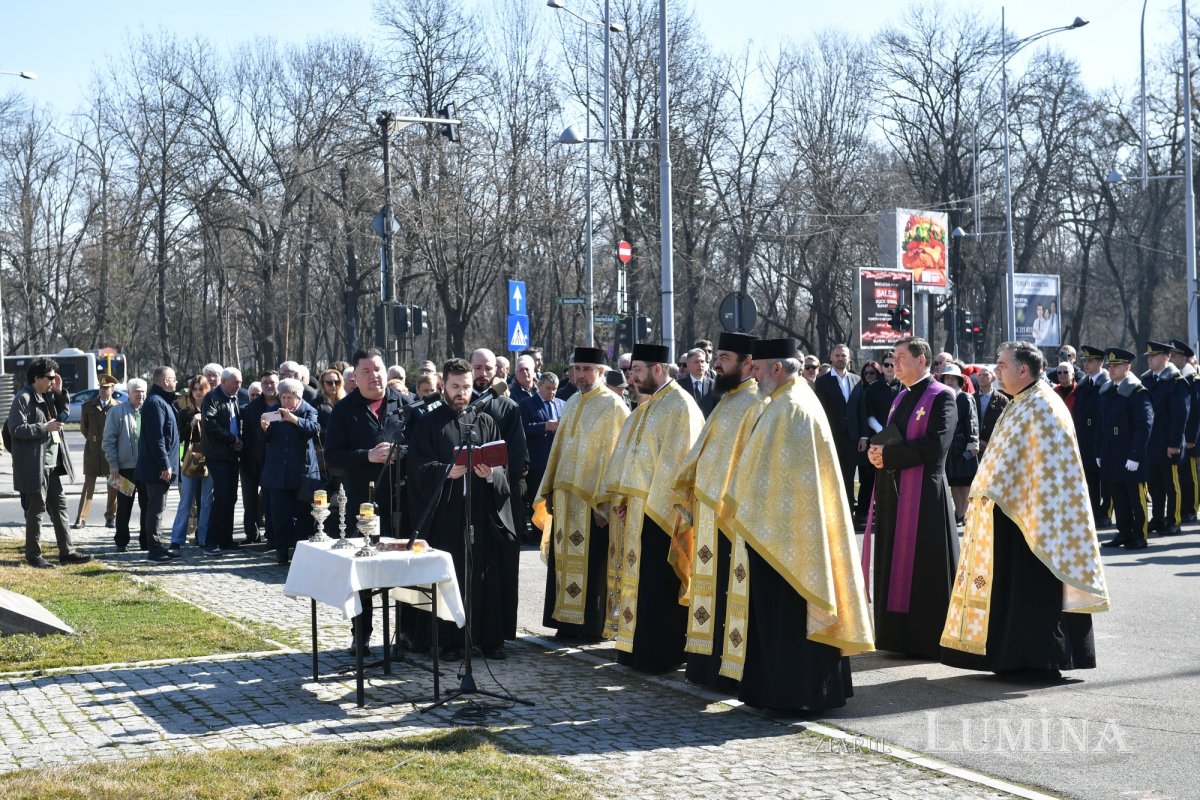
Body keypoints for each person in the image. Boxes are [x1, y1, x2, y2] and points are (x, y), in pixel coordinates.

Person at [718, 338, 873, 711]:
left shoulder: (792, 407)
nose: (752, 374)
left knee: (787, 617)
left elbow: (785, 478)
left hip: (787, 536)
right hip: (776, 530)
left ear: (776, 368)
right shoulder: (784, 402)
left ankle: (794, 694)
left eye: (757, 368)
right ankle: (775, 691)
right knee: (775, 617)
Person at [941, 341, 1109, 680]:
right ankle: (1013, 657)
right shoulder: (1021, 402)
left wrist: (1000, 493)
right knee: (1014, 590)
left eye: (1003, 365)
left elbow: (1045, 470)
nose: (997, 370)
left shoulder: (1043, 406)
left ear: (1023, 369)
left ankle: (1037, 660)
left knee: (1034, 591)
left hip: (1036, 521)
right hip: (1011, 513)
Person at [668, 332, 765, 693]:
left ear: (747, 363)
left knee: (728, 592)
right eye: (717, 356)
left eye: (724, 357)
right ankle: (704, 666)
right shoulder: (726, 400)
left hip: (731, 518)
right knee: (710, 589)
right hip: (707, 513)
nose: (717, 363)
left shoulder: (755, 402)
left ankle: (726, 669)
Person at [605, 343, 705, 673]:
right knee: (643, 581)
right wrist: (623, 499)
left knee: (660, 584)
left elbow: (678, 463)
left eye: (637, 370)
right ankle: (636, 647)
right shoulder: (648, 406)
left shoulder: (680, 406)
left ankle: (662, 654)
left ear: (657, 369)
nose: (631, 377)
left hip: (664, 512)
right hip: (638, 510)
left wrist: (653, 504)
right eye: (631, 371)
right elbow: (631, 456)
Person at [407, 358, 514, 659]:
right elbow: (418, 468)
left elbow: (504, 466)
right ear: (442, 384)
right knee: (449, 574)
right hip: (447, 513)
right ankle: (448, 641)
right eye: (455, 387)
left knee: (483, 575)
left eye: (466, 387)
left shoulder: (485, 420)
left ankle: (488, 638)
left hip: (480, 510)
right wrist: (445, 471)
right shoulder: (429, 423)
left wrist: (491, 474)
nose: (462, 393)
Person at [864, 336, 959, 658]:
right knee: (894, 563)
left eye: (901, 357)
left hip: (924, 498)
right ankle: (897, 636)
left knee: (924, 568)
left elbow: (935, 446)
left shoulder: (942, 396)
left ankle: (927, 637)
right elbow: (894, 434)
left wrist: (888, 456)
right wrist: (876, 451)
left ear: (922, 360)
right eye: (893, 358)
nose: (895, 364)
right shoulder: (900, 397)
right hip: (896, 494)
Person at [532, 347, 629, 641]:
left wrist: (606, 504)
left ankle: (589, 628)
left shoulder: (614, 407)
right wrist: (548, 488)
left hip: (592, 504)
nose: (580, 374)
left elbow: (617, 457)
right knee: (564, 563)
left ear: (601, 372)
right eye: (577, 368)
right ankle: (566, 623)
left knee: (592, 564)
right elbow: (558, 451)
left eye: (587, 369)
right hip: (565, 498)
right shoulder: (572, 401)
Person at [324, 348, 411, 654]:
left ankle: (405, 632)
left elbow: (423, 446)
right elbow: (332, 458)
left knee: (404, 568)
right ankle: (361, 633)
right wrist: (368, 456)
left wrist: (404, 452)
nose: (374, 376)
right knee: (364, 572)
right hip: (364, 501)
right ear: (355, 378)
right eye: (366, 371)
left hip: (402, 499)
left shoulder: (405, 404)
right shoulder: (344, 410)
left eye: (378, 369)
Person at [7, 358, 92, 568]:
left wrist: (61, 393)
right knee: (36, 510)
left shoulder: (47, 396)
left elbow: (62, 415)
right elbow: (15, 429)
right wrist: (44, 428)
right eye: (50, 378)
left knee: (60, 506)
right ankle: (34, 555)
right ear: (37, 378)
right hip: (36, 465)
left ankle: (67, 552)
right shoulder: (24, 398)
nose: (53, 381)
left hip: (52, 464)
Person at [469, 348, 528, 642]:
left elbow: (516, 459)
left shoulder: (508, 407)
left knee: (501, 565)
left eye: (487, 368)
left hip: (500, 496)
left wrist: (495, 478)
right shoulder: (462, 405)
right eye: (477, 368)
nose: (482, 374)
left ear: (496, 370)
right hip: (465, 497)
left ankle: (500, 631)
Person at [260, 378, 321, 565]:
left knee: (302, 516)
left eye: (289, 397)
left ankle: (299, 553)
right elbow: (269, 440)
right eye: (283, 397)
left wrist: (293, 419)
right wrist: (266, 429)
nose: (285, 401)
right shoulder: (273, 412)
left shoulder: (308, 410)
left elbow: (314, 429)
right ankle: (281, 552)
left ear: (298, 397)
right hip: (278, 473)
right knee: (279, 515)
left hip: (302, 473)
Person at [1096, 348, 1153, 550]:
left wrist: (1135, 455)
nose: (1111, 370)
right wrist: (1099, 452)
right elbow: (1102, 425)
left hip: (1130, 454)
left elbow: (1144, 425)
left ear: (1127, 367)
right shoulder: (1107, 391)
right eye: (1109, 366)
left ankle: (1139, 535)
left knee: (1136, 499)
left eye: (1116, 366)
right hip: (1112, 454)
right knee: (1118, 498)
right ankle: (1124, 532)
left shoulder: (1137, 392)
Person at [1141, 340, 1190, 537]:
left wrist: (1174, 444)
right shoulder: (1147, 380)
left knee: (1172, 485)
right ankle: (1159, 518)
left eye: (1153, 356)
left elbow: (1180, 416)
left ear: (1165, 357)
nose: (1150, 360)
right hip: (1152, 443)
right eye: (1149, 357)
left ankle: (1174, 520)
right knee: (1155, 485)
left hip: (1169, 443)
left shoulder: (1177, 382)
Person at [136, 366, 182, 563]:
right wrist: (165, 465)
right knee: (155, 508)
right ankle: (154, 549)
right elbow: (157, 438)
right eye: (173, 379)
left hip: (160, 466)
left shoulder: (162, 401)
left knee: (155, 508)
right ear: (165, 381)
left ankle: (156, 545)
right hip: (157, 468)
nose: (176, 382)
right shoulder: (155, 403)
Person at [202, 367, 245, 556]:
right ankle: (212, 542)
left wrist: (239, 441)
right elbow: (210, 424)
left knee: (231, 498)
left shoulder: (234, 398)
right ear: (224, 382)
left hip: (232, 454)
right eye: (235, 382)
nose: (238, 386)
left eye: (240, 382)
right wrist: (232, 439)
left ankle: (226, 539)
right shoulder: (212, 397)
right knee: (220, 498)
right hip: (218, 455)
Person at [812, 343, 862, 508]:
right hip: (830, 437)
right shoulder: (822, 382)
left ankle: (849, 512)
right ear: (832, 358)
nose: (841, 359)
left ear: (849, 359)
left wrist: (864, 436)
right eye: (837, 356)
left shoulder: (857, 380)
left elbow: (861, 409)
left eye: (844, 356)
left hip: (852, 438)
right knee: (832, 477)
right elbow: (819, 411)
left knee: (849, 477)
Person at [103, 379, 148, 552]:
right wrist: (113, 464)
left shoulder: (148, 411)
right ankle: (121, 541)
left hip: (145, 468)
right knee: (123, 506)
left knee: (147, 504)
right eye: (136, 391)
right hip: (123, 468)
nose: (140, 394)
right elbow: (108, 441)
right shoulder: (116, 412)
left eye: (143, 391)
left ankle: (146, 540)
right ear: (128, 393)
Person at [170, 375, 214, 550]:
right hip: (190, 458)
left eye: (200, 389)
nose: (197, 392)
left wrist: (206, 421)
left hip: (210, 458)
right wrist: (192, 422)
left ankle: (203, 537)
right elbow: (180, 437)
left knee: (206, 500)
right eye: (194, 389)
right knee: (186, 500)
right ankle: (177, 538)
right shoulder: (184, 412)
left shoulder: (212, 409)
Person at [520, 372, 564, 544]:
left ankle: (555, 534)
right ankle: (538, 535)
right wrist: (544, 426)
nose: (552, 392)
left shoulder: (562, 404)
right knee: (537, 499)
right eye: (548, 388)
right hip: (538, 461)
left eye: (554, 389)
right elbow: (523, 428)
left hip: (558, 461)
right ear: (539, 386)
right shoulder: (527, 404)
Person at [73, 374, 120, 529]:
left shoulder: (117, 407)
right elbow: (83, 427)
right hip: (92, 450)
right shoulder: (88, 406)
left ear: (112, 390)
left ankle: (111, 516)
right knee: (88, 485)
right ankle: (81, 518)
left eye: (106, 388)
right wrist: (93, 439)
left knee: (113, 484)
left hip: (110, 451)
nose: (103, 390)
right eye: (101, 387)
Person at [240, 370, 280, 546]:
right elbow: (247, 434)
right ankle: (251, 534)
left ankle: (272, 536)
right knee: (250, 501)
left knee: (271, 502)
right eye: (265, 383)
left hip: (275, 461)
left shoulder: (283, 403)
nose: (269, 386)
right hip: (252, 458)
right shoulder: (252, 407)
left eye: (272, 382)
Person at [1073, 346, 1110, 525]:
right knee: (1090, 478)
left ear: (1100, 363)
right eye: (1085, 361)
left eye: (1091, 361)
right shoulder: (1083, 384)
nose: (1086, 364)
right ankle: (1094, 512)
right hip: (1085, 437)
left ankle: (1105, 513)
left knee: (1106, 479)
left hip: (1100, 434)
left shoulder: (1106, 383)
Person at [939, 363, 979, 527]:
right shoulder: (941, 397)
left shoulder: (965, 397)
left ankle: (964, 513)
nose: (949, 381)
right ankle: (959, 512)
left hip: (963, 446)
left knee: (966, 483)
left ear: (959, 380)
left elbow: (972, 420)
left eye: (952, 378)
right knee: (954, 482)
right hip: (949, 448)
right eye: (946, 378)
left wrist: (973, 443)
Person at [1168, 340, 1200, 523]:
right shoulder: (1177, 378)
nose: (1172, 358)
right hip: (1180, 436)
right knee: (1181, 475)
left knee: (1192, 476)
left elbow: (1195, 412)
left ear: (1184, 358)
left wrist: (1191, 439)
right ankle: (1183, 506)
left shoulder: (1193, 379)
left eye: (1175, 356)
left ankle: (1192, 508)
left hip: (1191, 437)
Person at [974, 364, 1008, 460]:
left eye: (985, 375)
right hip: (975, 448)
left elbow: (1004, 424)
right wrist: (977, 441)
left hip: (994, 447)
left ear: (993, 378)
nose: (982, 377)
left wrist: (989, 441)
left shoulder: (1002, 399)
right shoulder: (971, 398)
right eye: (979, 375)